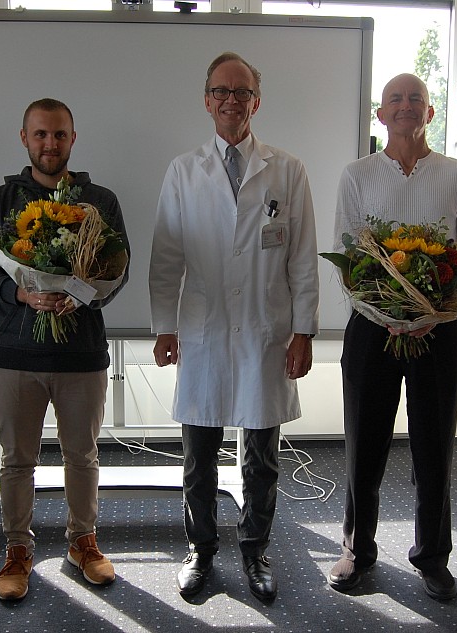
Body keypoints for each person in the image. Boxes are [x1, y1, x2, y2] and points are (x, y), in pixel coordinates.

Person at [149, 52, 319, 602]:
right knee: (199, 456)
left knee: (261, 458)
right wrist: (164, 326)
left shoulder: (287, 169)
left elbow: (302, 259)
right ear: (206, 101)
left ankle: (255, 549)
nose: (231, 100)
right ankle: (200, 551)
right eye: (221, 91)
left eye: (241, 92)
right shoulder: (183, 170)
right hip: (203, 328)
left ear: (256, 102)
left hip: (265, 329)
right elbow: (166, 256)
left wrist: (304, 331)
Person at [326, 73, 457, 601]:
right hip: (372, 331)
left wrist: (436, 313)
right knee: (363, 444)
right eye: (394, 99)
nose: (404, 107)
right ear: (380, 114)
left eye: (415, 99)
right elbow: (347, 261)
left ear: (430, 113)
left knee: (434, 445)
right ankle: (358, 548)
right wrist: (385, 313)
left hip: (439, 332)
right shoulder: (356, 176)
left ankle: (433, 557)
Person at [0, 98, 129, 600]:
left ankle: (83, 541)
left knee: (82, 455)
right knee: (17, 460)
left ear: (72, 139)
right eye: (40, 135)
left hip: (80, 351)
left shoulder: (98, 201)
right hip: (16, 355)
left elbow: (115, 273)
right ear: (24, 138)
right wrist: (22, 293)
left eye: (59, 135)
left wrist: (76, 295)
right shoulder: (0, 203)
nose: (50, 144)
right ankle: (19, 550)